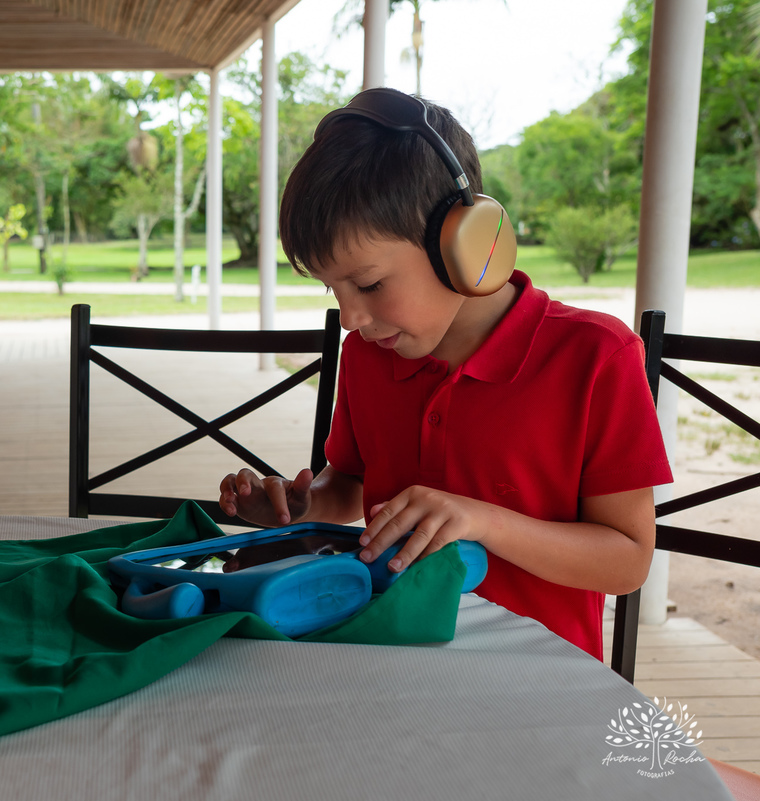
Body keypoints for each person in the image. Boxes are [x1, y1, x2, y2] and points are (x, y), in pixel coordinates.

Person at [217, 88, 672, 659]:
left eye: (371, 284)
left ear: (467, 244)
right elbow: (350, 484)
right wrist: (299, 510)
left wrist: (483, 521)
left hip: (537, 677)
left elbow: (628, 561)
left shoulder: (595, 358)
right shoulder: (369, 353)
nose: (351, 319)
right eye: (334, 290)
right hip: (380, 650)